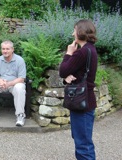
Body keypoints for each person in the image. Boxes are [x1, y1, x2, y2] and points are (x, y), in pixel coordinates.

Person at [59, 19, 98, 160]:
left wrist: (68, 53)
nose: (72, 33)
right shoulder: (90, 49)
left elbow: (63, 70)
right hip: (86, 100)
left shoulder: (81, 52)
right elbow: (78, 75)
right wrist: (67, 78)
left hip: (82, 102)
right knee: (82, 140)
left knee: (83, 144)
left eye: (74, 30)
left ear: (80, 31)